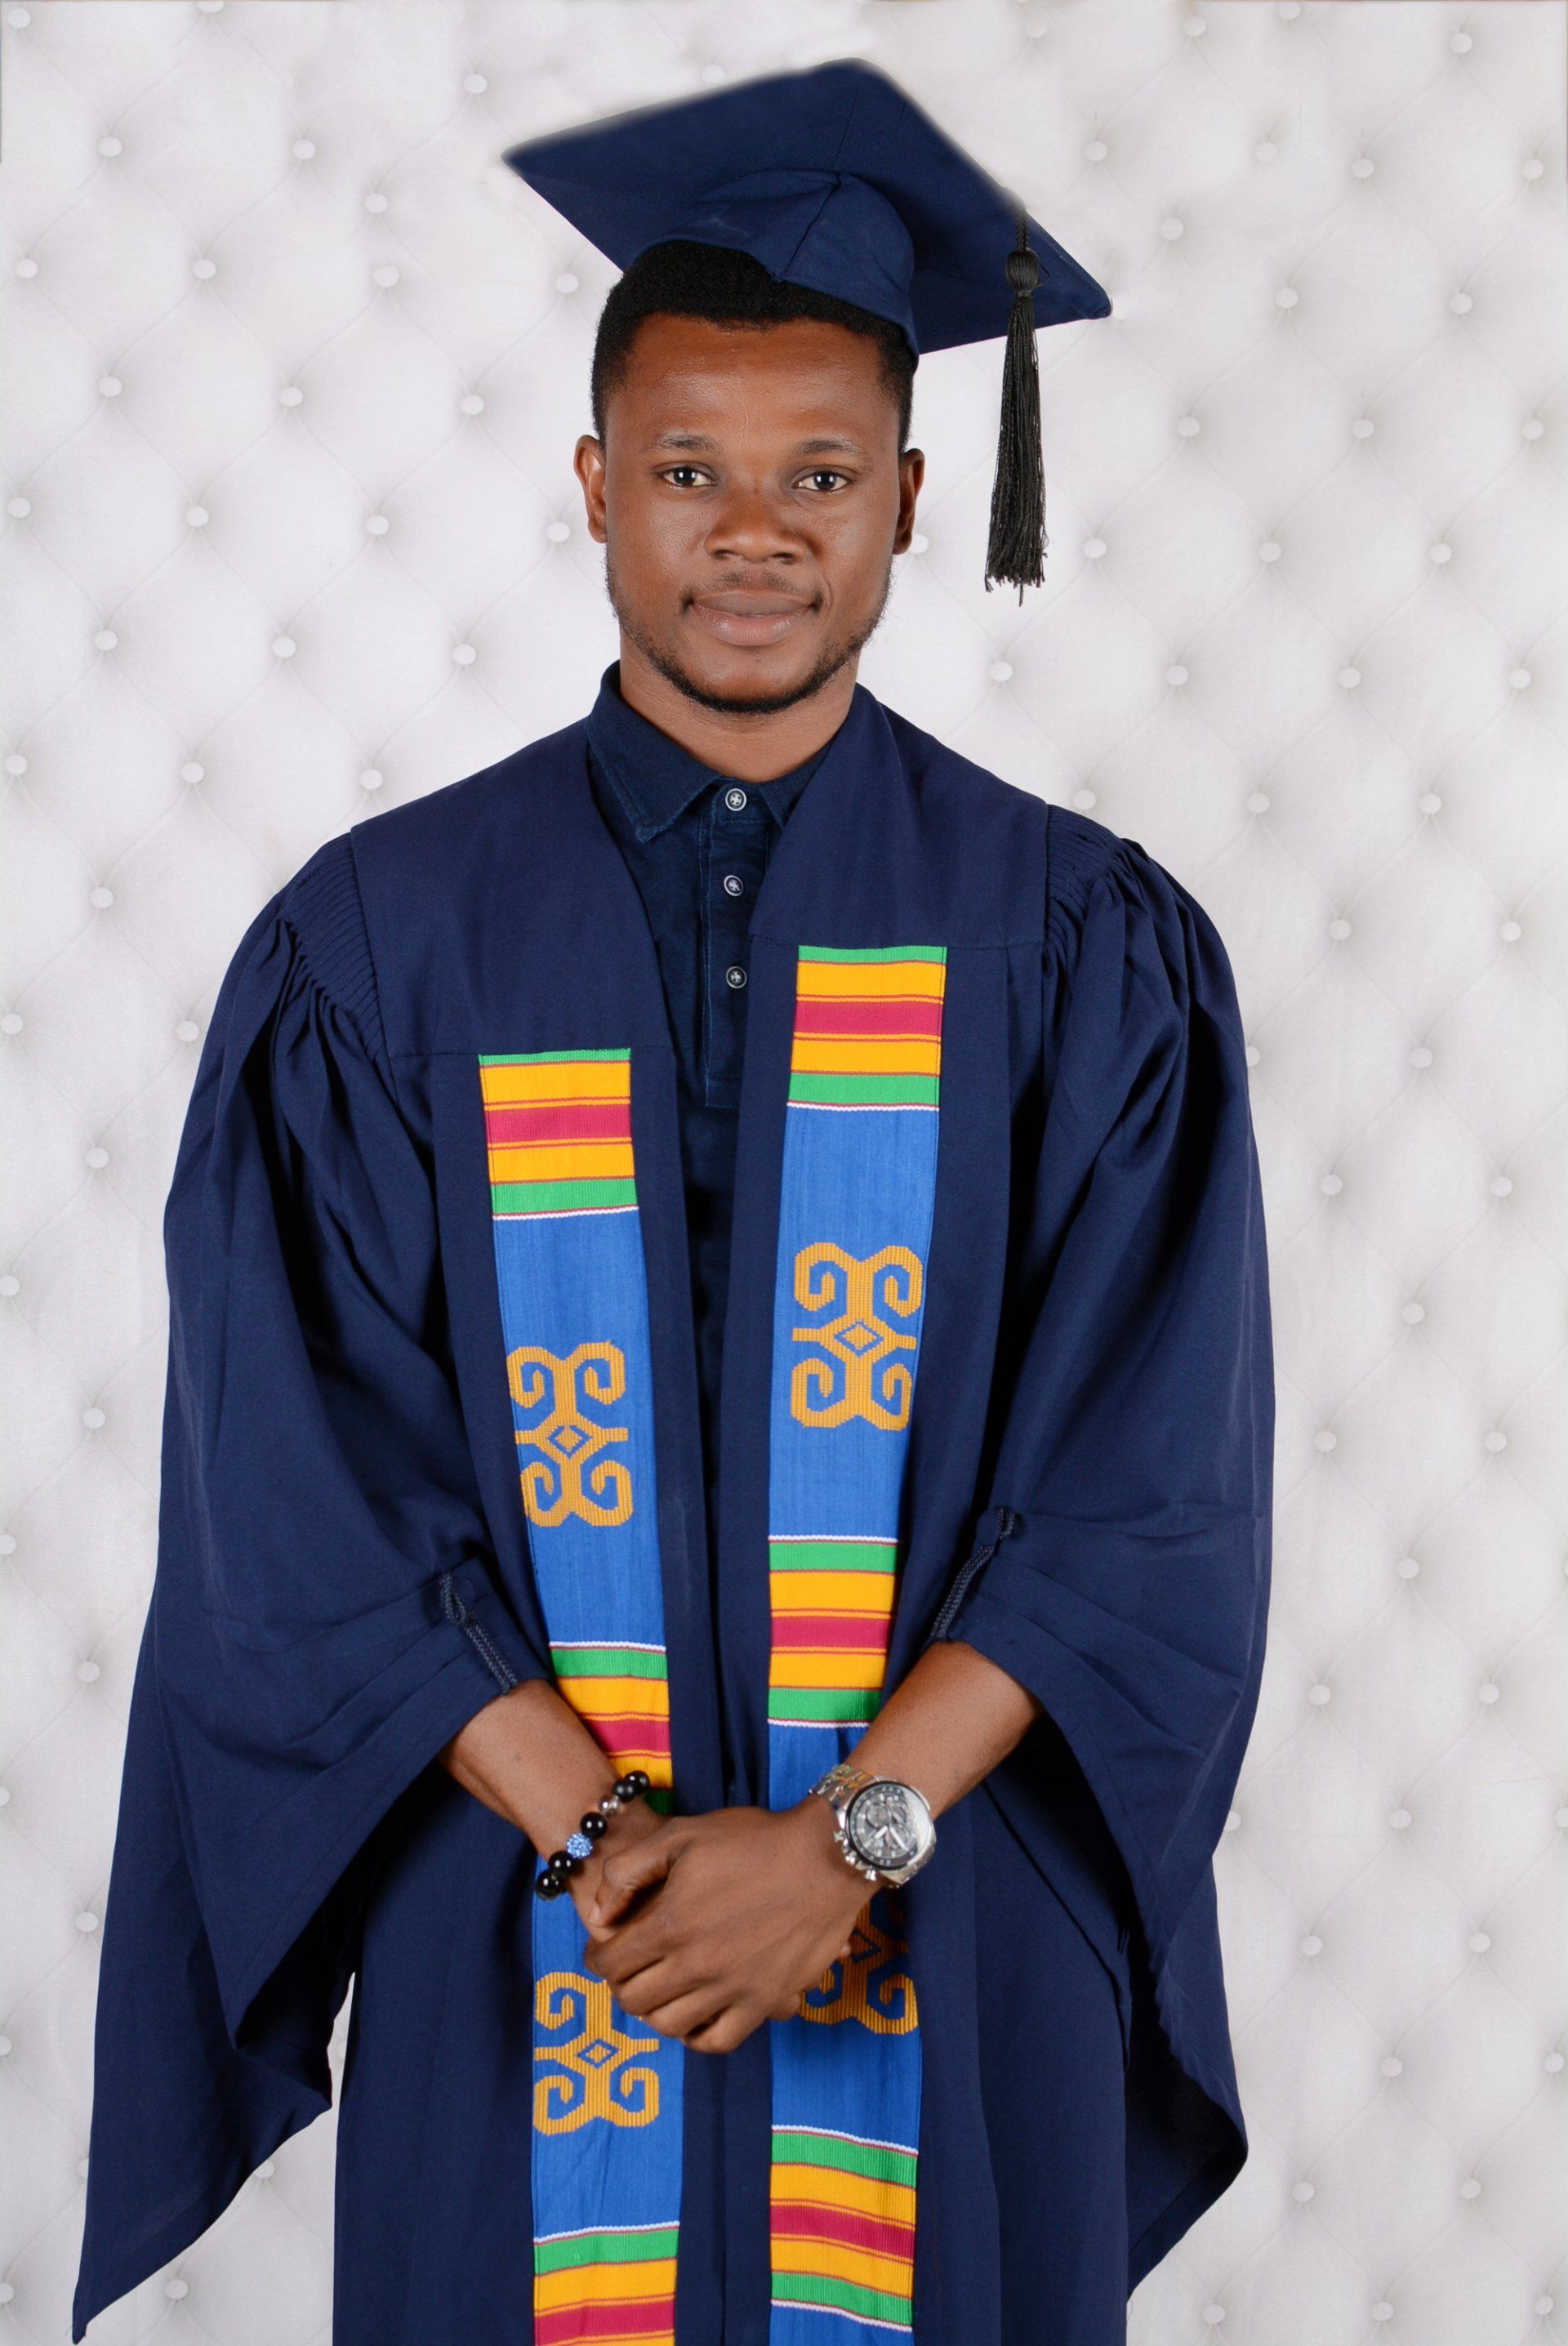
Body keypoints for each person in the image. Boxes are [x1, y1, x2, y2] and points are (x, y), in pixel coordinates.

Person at [71, 58, 1274, 2346]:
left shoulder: (1088, 944)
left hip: (947, 1906)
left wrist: (847, 1850)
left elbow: (1149, 1498)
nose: (756, 531)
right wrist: (611, 1848)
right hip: (529, 1925)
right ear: (594, 493)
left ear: (915, 500)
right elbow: (295, 1494)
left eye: (821, 473)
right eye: (692, 472)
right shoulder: (377, 943)